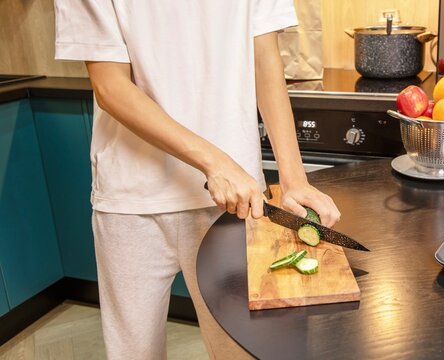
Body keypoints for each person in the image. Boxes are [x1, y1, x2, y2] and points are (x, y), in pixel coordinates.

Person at [53, 1, 341, 359]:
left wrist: (294, 178)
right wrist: (213, 161)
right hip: (132, 200)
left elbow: (265, 60)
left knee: (240, 351)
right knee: (134, 352)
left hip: (234, 206)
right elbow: (110, 86)